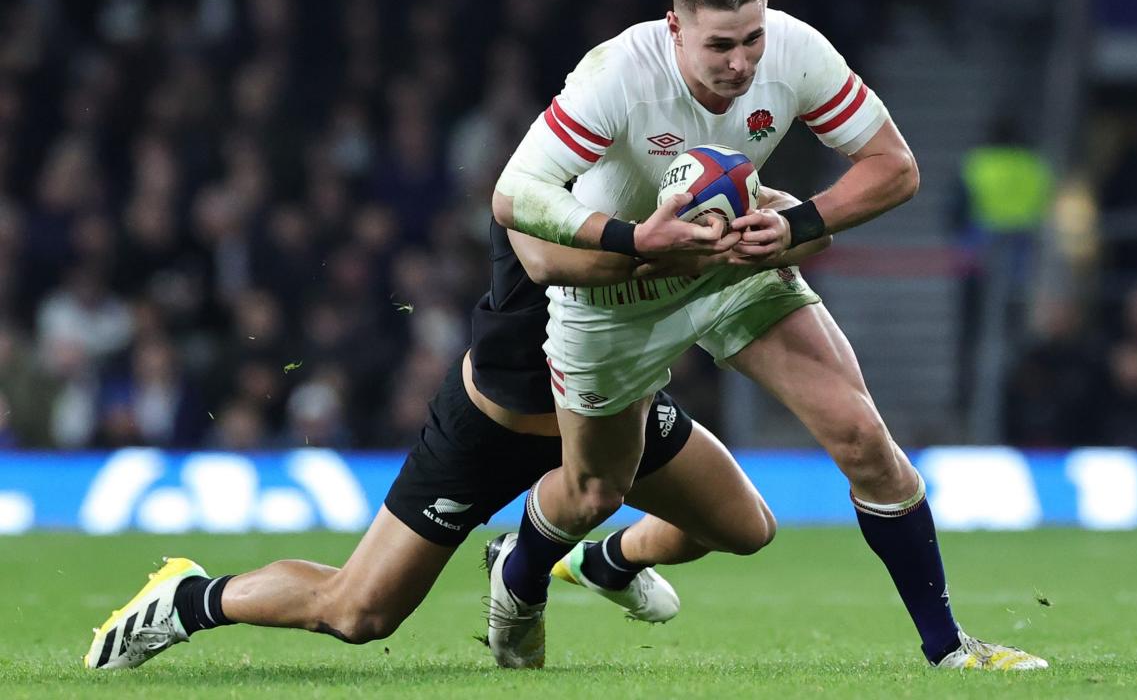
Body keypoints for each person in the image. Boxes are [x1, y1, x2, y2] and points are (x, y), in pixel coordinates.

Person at [489, 0, 1047, 671]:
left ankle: (949, 650)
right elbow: (513, 196)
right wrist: (635, 237)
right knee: (594, 490)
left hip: (732, 267)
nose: (741, 63)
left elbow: (893, 168)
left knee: (859, 435)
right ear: (674, 29)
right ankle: (524, 571)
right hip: (614, 294)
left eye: (750, 38)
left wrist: (798, 224)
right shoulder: (619, 76)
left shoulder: (794, 51)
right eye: (719, 44)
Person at [83, 205, 823, 670]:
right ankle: (187, 600)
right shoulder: (544, 188)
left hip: (612, 414)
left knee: (741, 526)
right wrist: (675, 249)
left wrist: (779, 227)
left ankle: (595, 562)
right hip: (491, 430)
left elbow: (783, 231)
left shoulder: (684, 178)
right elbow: (563, 259)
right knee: (357, 614)